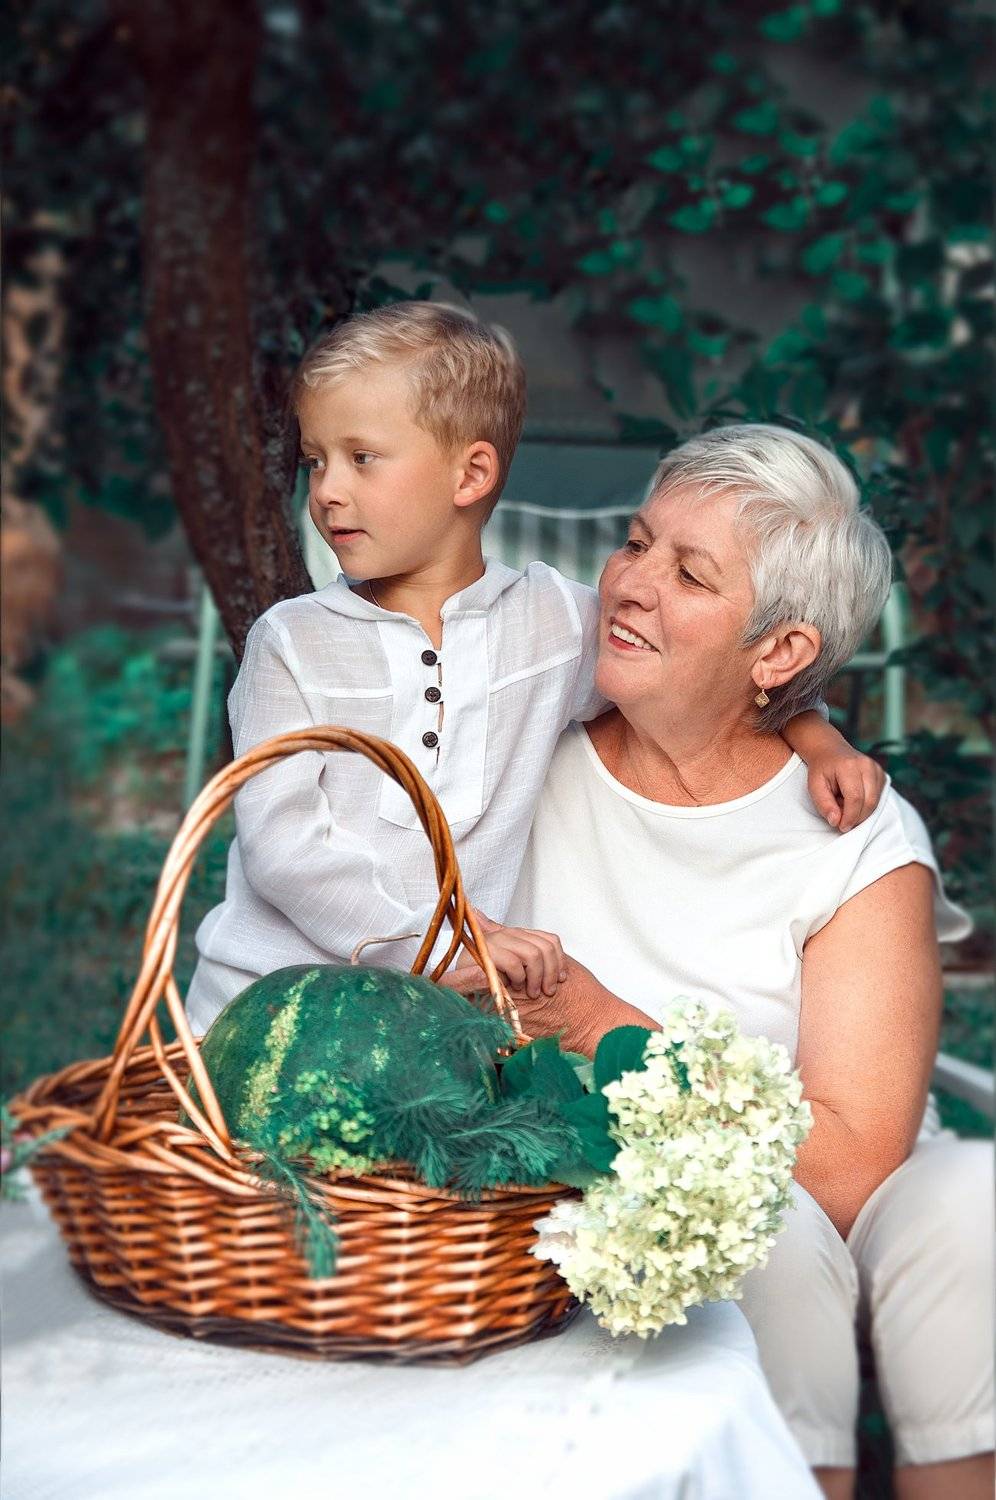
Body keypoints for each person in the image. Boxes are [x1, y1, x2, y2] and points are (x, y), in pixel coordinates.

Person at [446, 423, 993, 1500]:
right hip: (602, 1179)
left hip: (840, 1176)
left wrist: (595, 1020)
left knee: (975, 1200)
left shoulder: (852, 832)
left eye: (690, 574)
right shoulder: (523, 753)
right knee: (761, 1234)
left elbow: (850, 1164)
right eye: (636, 542)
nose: (630, 583)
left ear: (779, 654)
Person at [185, 307, 880, 1036]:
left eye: (362, 458)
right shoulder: (290, 642)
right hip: (255, 1013)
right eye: (315, 461)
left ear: (471, 474)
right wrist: (442, 944)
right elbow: (283, 847)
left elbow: (708, 674)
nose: (327, 490)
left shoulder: (554, 624)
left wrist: (817, 739)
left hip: (427, 1031)